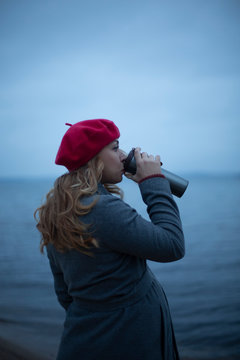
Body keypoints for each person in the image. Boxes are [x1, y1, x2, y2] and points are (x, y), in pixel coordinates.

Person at [34, 118, 185, 360]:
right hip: (128, 344)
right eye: (115, 148)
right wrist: (154, 184)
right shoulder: (102, 209)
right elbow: (172, 245)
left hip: (90, 342)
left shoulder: (59, 211)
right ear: (93, 158)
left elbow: (65, 293)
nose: (124, 156)